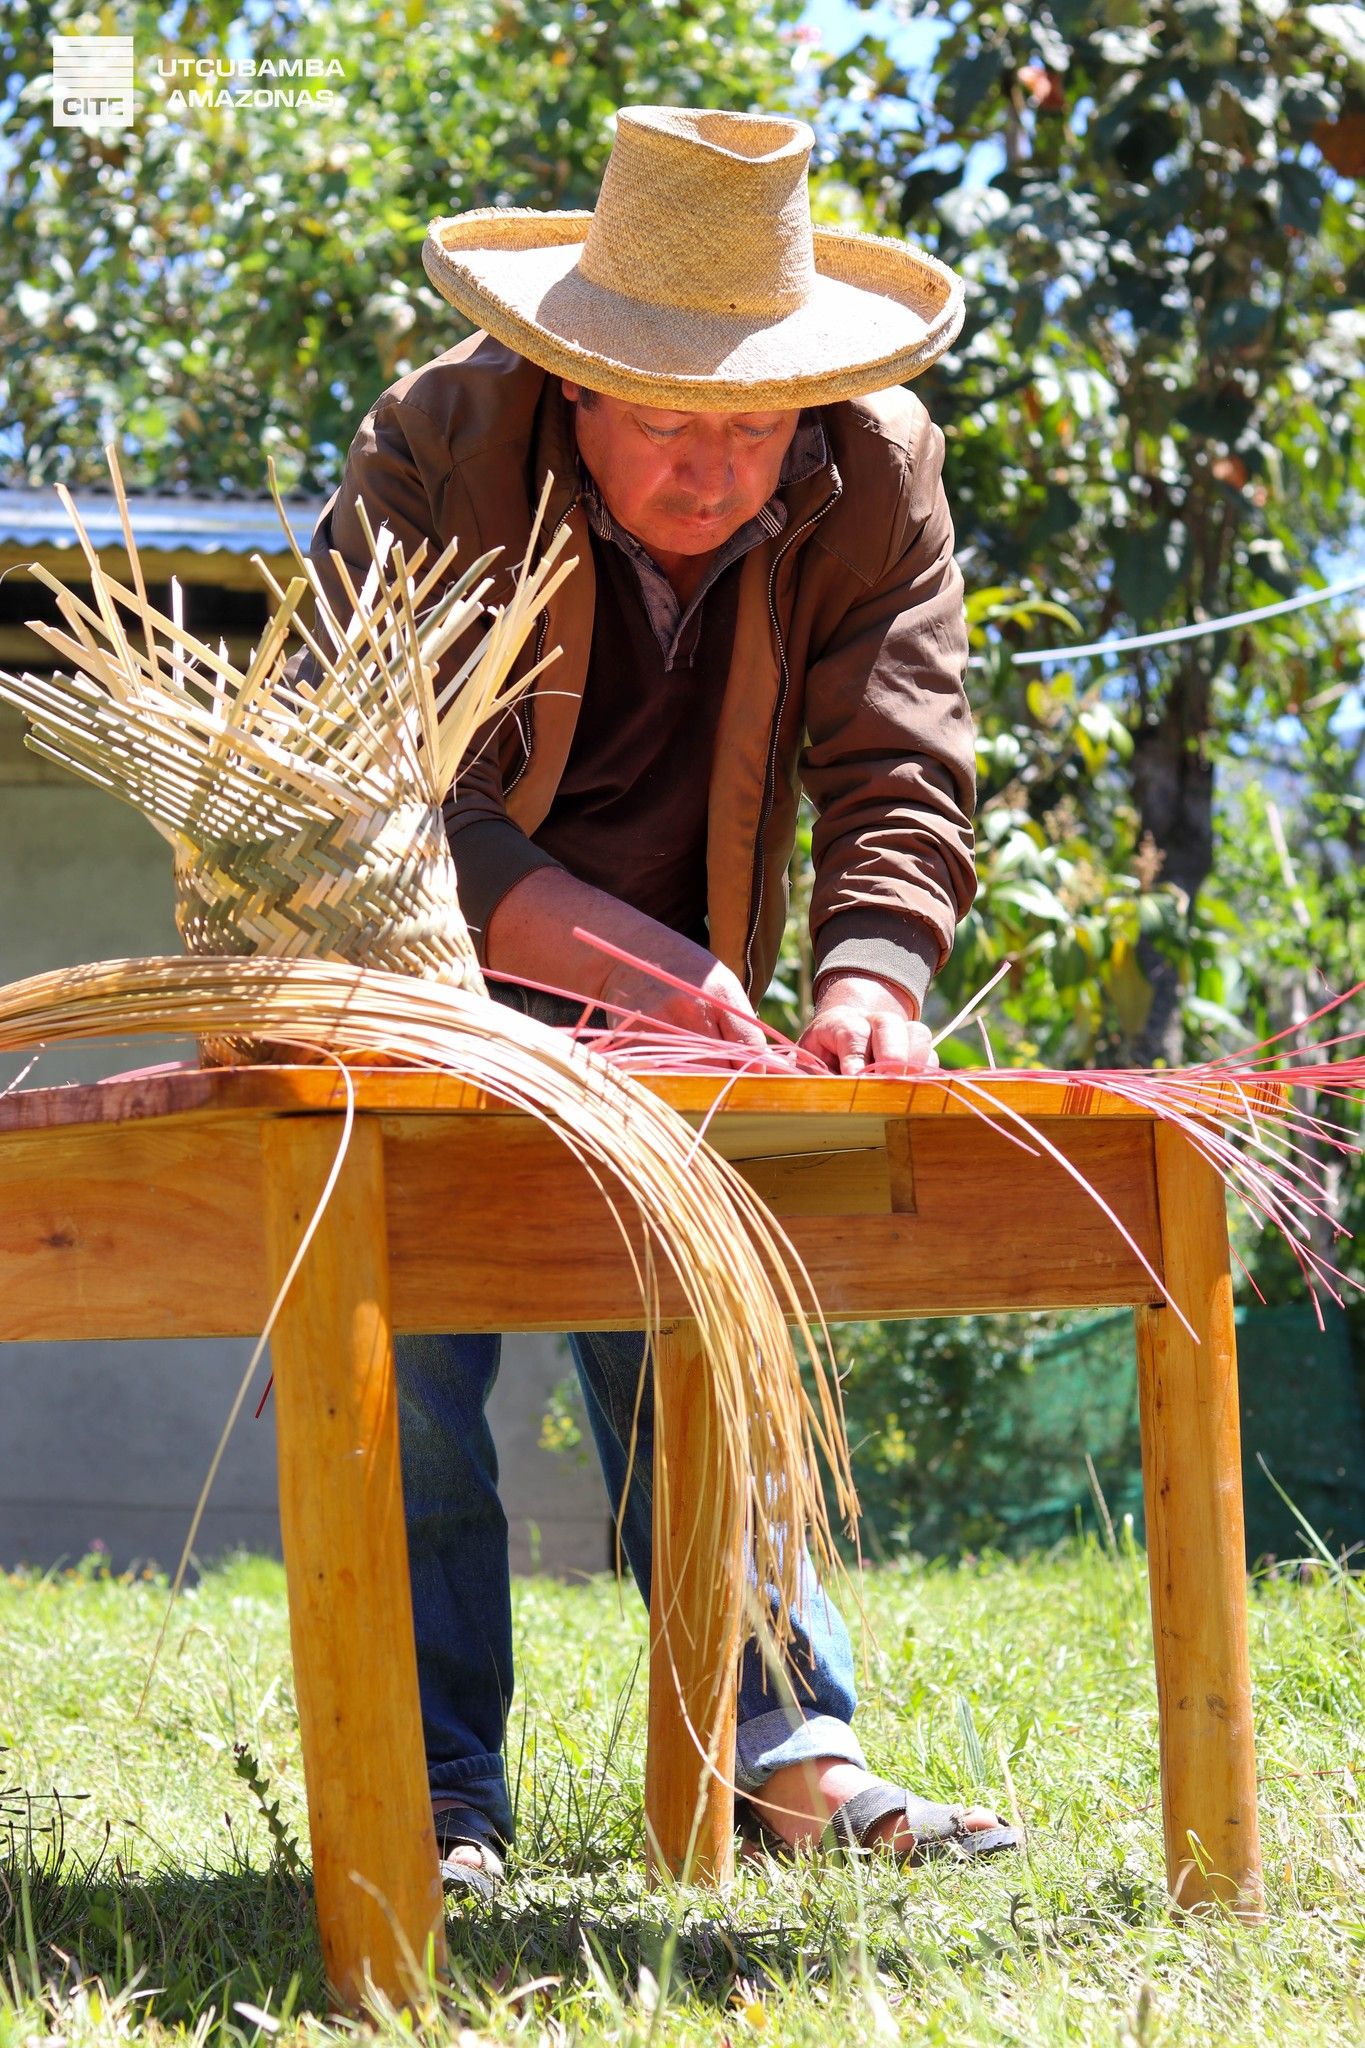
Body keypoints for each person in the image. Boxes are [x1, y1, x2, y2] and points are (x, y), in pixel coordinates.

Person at [299, 103, 1020, 1897]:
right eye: (668, 428)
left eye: (750, 427)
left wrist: (866, 973)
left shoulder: (873, 467)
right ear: (568, 381)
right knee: (411, 1367)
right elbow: (354, 792)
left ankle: (789, 1760)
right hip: (420, 977)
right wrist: (642, 960)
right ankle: (438, 1795)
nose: (714, 477)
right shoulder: (438, 446)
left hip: (684, 998)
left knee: (706, 1331)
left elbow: (901, 769)